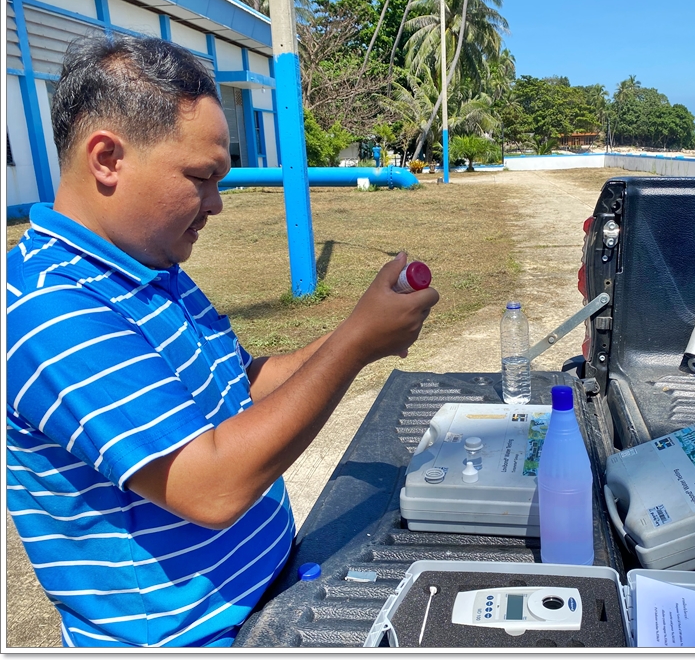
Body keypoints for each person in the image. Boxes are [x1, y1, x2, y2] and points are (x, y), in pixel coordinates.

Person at [6, 33, 438, 648]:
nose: (216, 204)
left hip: (264, 601)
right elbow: (210, 487)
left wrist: (359, 325)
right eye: (201, 177)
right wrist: (358, 345)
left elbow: (242, 385)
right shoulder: (47, 309)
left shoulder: (152, 270)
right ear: (107, 159)